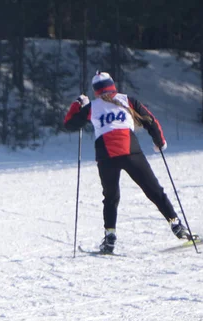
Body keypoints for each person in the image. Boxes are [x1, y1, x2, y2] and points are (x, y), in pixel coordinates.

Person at [63, 71, 190, 254]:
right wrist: (159, 141)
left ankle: (110, 238)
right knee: (153, 190)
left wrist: (77, 105)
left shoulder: (91, 107)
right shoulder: (127, 100)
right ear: (112, 85)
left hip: (106, 156)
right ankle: (177, 225)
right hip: (130, 151)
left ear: (95, 90)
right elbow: (150, 121)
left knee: (111, 197)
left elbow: (69, 124)